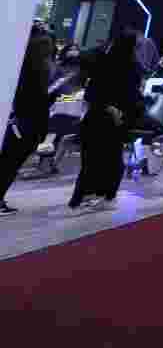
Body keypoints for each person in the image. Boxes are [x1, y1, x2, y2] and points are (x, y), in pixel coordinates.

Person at [69, 31, 143, 211]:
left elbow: (91, 91)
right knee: (109, 159)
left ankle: (88, 195)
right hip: (112, 118)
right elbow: (132, 96)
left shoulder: (103, 60)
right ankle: (103, 196)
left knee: (93, 158)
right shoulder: (131, 66)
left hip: (98, 115)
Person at [0, 24, 56, 215]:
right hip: (26, 124)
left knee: (8, 162)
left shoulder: (21, 68)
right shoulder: (38, 74)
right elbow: (38, 103)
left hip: (20, 122)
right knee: (10, 164)